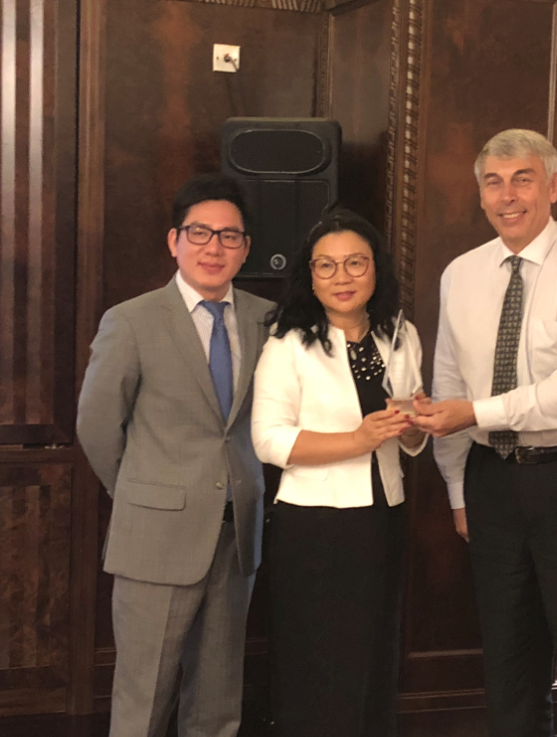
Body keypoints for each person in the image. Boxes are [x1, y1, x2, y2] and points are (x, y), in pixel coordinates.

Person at [413, 129, 557, 737]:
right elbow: (448, 385)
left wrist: (476, 413)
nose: (507, 195)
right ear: (480, 194)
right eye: (494, 182)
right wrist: (459, 489)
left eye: (523, 179)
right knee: (510, 669)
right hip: (493, 485)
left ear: (554, 186)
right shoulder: (461, 273)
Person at [77, 174, 274, 737]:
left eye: (229, 236)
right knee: (144, 698)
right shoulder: (131, 320)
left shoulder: (267, 319)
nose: (214, 247)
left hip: (236, 533)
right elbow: (97, 426)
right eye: (199, 233)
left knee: (217, 699)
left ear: (246, 248)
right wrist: (142, 493)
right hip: (155, 536)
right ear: (174, 241)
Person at [251, 208, 427, 737]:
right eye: (326, 266)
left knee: (374, 653)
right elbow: (268, 439)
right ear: (310, 276)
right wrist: (357, 440)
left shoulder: (400, 334)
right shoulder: (288, 342)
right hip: (314, 525)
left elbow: (409, 437)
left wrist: (415, 425)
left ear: (376, 269)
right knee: (320, 661)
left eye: (355, 263)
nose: (341, 277)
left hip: (383, 514)